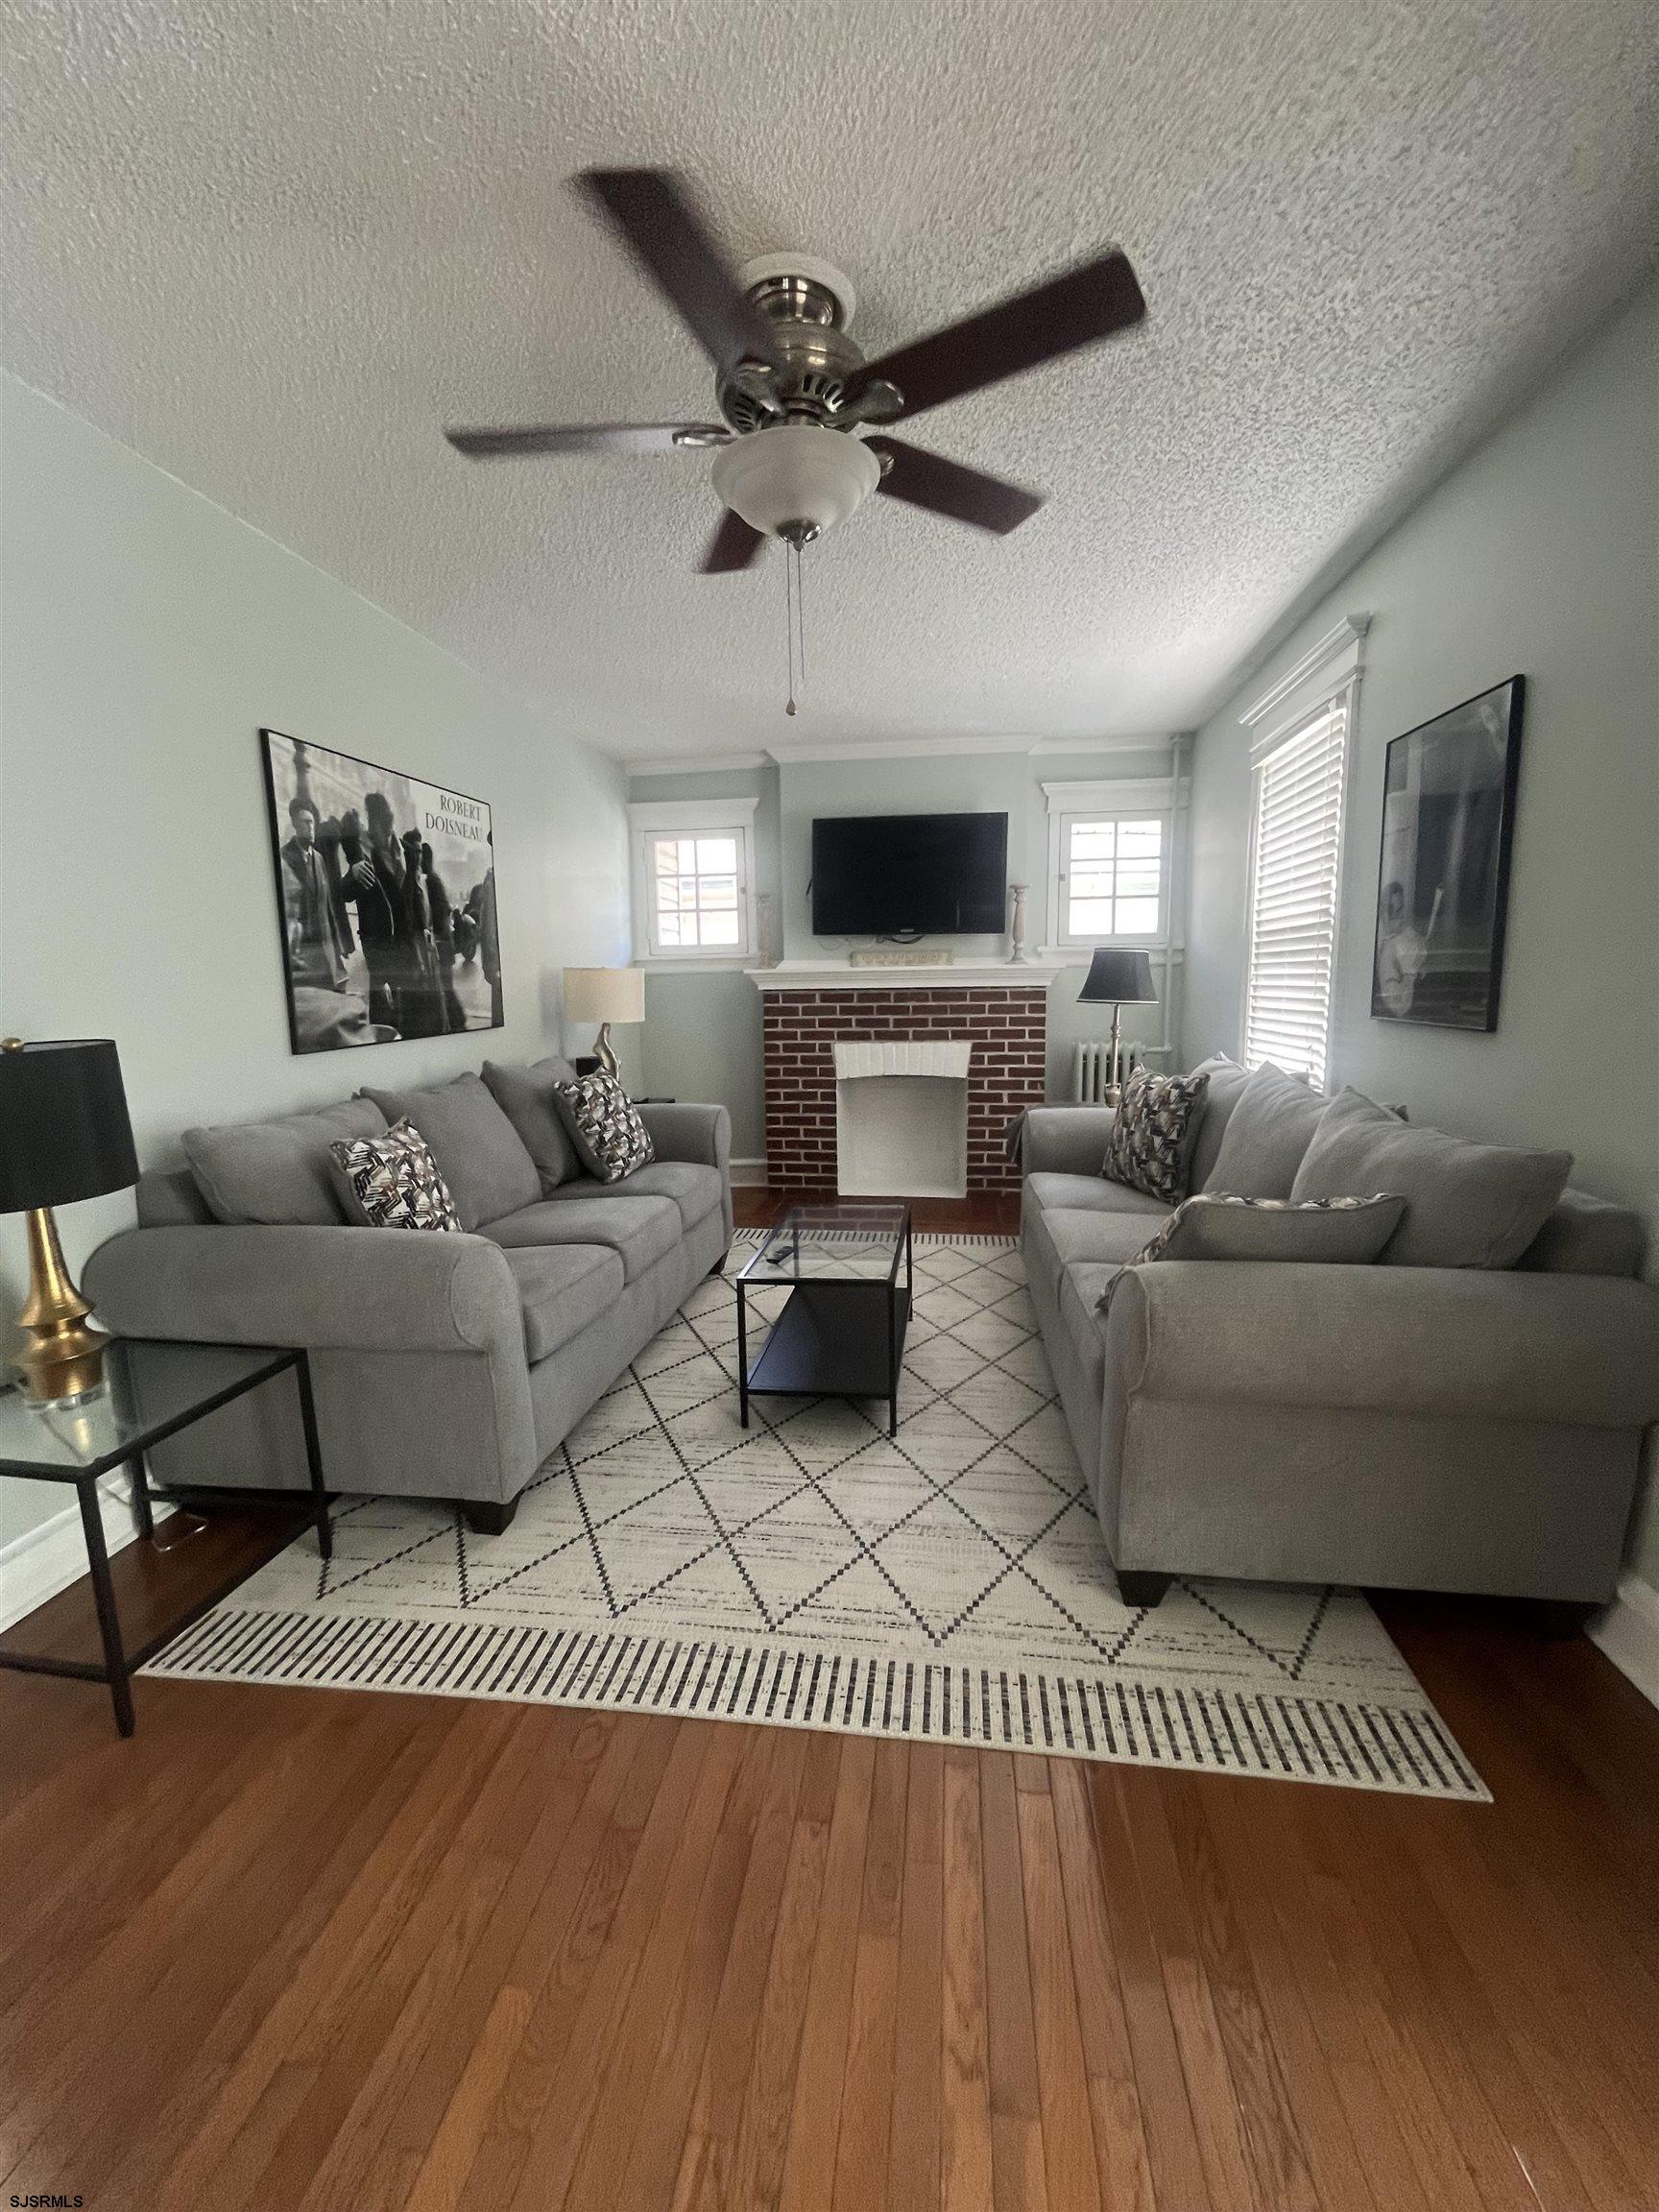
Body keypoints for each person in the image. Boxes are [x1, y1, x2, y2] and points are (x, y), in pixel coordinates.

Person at [280, 797, 350, 993]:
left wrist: (338, 946)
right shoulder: (285, 859)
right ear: (294, 823)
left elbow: (328, 907)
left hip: (327, 951)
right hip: (306, 955)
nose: (312, 828)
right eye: (306, 822)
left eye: (313, 822)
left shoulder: (318, 858)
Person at [421, 841, 468, 1034]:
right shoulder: (435, 879)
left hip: (441, 943)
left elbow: (438, 912)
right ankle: (456, 1022)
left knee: (445, 987)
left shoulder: (429, 881)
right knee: (447, 986)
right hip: (446, 941)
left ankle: (456, 1022)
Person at [478, 831, 503, 1027]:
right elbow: (488, 926)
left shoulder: (498, 878)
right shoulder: (493, 878)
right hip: (501, 968)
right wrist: (492, 963)